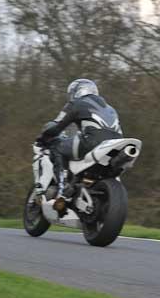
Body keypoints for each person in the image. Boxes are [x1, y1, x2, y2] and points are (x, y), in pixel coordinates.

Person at [35, 79, 123, 207]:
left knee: (57, 147)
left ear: (76, 91)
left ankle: (62, 189)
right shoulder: (110, 108)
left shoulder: (77, 103)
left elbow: (58, 126)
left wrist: (43, 138)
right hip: (116, 144)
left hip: (93, 142)